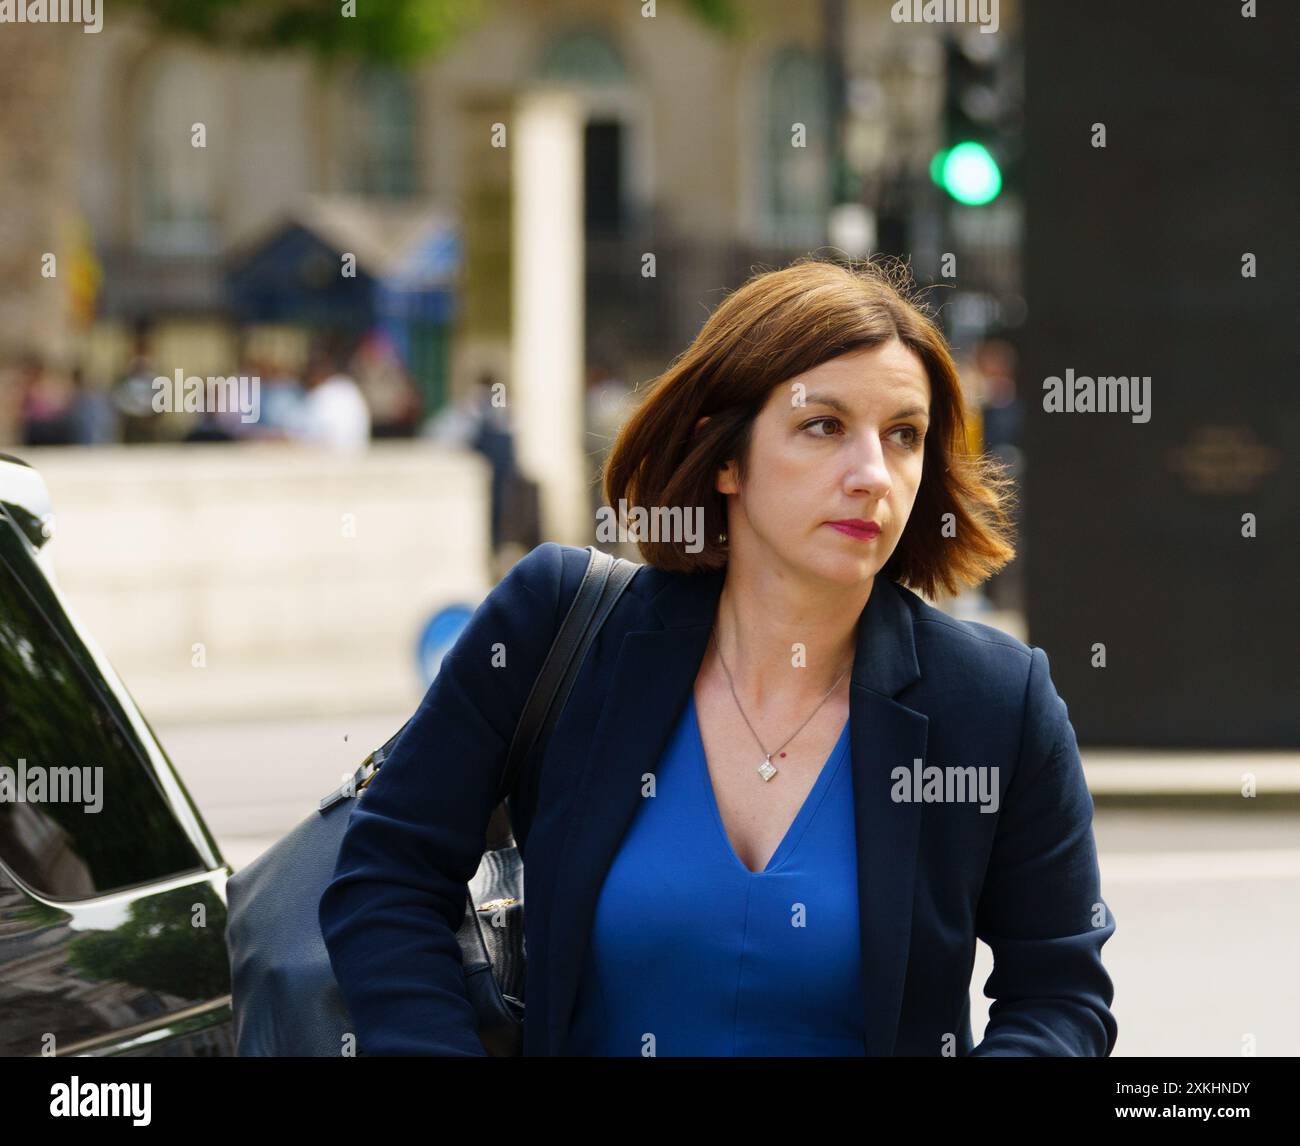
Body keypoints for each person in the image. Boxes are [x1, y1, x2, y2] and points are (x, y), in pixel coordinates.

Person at [319, 256, 1117, 1057]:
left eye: (903, 435)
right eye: (823, 426)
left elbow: (1058, 994)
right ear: (724, 455)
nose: (873, 474)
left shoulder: (995, 701)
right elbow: (389, 876)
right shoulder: (554, 626)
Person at [292, 343, 370, 452]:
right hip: (354, 456)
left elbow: (313, 438)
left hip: (333, 459)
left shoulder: (327, 393)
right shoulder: (347, 387)